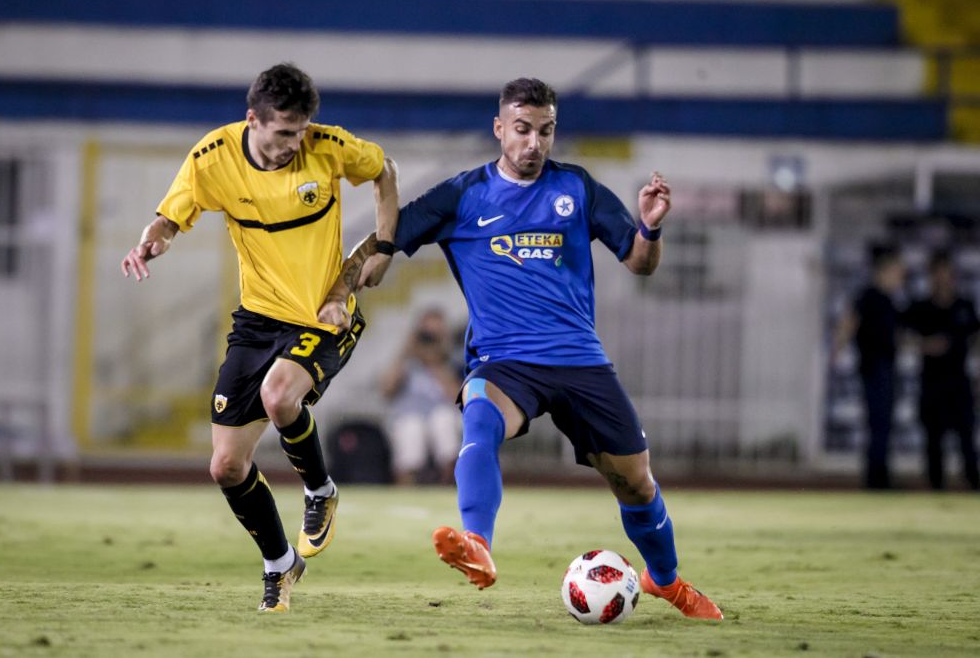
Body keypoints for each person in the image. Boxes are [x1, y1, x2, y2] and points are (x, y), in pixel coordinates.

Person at [333, 77, 722, 620]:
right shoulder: (462, 195)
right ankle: (478, 543)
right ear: (499, 129)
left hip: (580, 360)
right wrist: (343, 287)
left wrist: (651, 229)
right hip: (505, 361)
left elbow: (639, 262)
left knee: (636, 484)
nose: (534, 142)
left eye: (545, 131)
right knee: (480, 412)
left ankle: (666, 580)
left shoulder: (577, 187)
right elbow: (387, 237)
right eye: (522, 129)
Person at [120, 63, 398, 612]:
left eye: (301, 131)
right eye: (284, 133)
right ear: (253, 120)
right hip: (258, 320)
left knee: (279, 395)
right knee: (225, 466)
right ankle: (280, 563)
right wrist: (153, 239)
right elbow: (170, 217)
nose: (294, 144)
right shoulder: (213, 157)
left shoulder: (328, 148)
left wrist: (384, 246)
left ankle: (320, 491)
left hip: (325, 315)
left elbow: (384, 169)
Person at [903, 250, 980, 490]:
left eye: (947, 274)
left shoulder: (964, 305)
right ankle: (936, 485)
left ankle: (973, 482)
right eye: (938, 274)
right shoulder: (921, 307)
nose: (943, 279)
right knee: (933, 439)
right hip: (932, 383)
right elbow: (901, 336)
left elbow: (976, 338)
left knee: (966, 435)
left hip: (959, 381)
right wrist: (925, 345)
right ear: (931, 276)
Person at [833, 243, 905, 490]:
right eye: (897, 271)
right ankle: (876, 478)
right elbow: (849, 320)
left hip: (886, 366)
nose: (900, 276)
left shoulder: (889, 300)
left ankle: (880, 474)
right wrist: (838, 347)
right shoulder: (869, 296)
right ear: (884, 271)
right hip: (875, 368)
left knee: (883, 424)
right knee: (878, 423)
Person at [379, 308, 463, 485]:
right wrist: (405, 353)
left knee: (443, 421)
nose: (430, 340)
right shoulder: (406, 360)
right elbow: (386, 390)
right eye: (427, 335)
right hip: (410, 414)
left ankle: (449, 484)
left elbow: (458, 398)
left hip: (443, 414)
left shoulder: (454, 359)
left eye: (435, 335)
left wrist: (435, 362)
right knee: (411, 427)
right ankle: (407, 487)